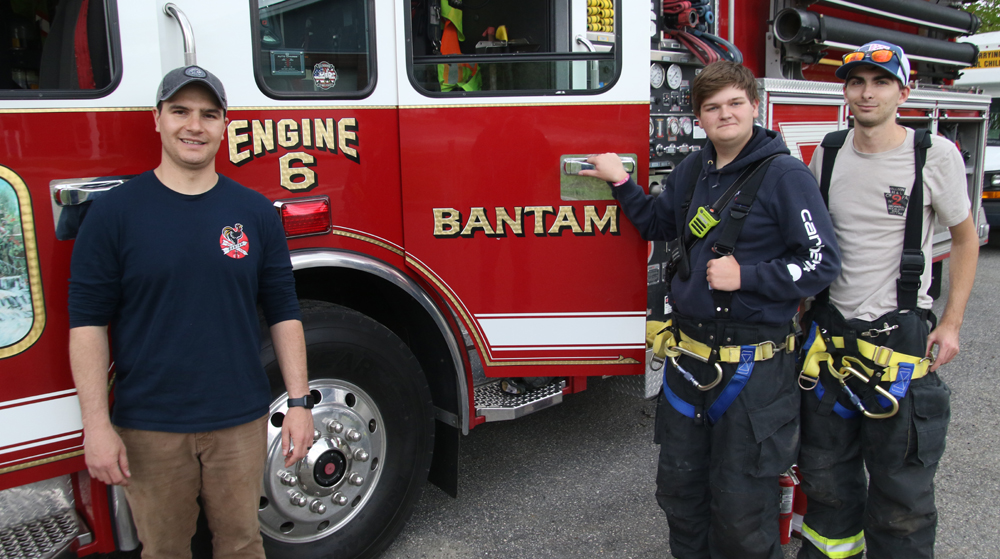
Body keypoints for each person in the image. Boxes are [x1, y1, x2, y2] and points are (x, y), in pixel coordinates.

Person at [582, 61, 841, 559]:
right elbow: (659, 223)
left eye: (734, 104)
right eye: (712, 107)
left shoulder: (785, 175)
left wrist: (747, 275)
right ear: (699, 117)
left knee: (743, 513)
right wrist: (621, 183)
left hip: (754, 371)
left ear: (754, 107)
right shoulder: (692, 170)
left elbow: (821, 262)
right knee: (680, 496)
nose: (725, 114)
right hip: (689, 364)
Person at [68, 65, 314, 558]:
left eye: (208, 114)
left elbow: (284, 310)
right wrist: (96, 426)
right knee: (164, 550)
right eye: (179, 111)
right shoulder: (114, 215)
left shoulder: (254, 213)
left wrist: (300, 404)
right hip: (149, 427)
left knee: (243, 543)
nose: (193, 126)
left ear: (225, 125)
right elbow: (88, 324)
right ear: (157, 119)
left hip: (239, 421)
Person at [797, 42, 978, 559]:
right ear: (846, 91)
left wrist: (952, 323)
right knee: (827, 482)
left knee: (902, 494)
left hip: (898, 341)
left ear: (903, 91)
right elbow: (814, 244)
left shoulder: (932, 154)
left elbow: (965, 239)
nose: (867, 92)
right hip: (829, 342)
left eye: (879, 82)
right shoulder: (826, 153)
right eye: (857, 82)